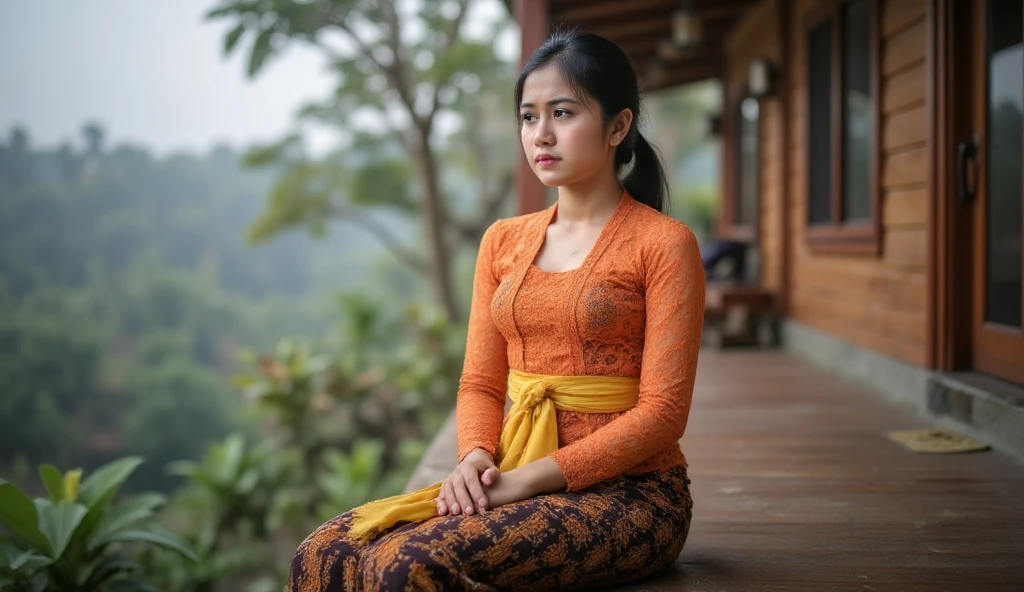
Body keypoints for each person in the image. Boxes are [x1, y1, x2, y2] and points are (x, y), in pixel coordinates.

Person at [288, 28, 705, 592]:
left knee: (408, 566)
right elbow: (482, 382)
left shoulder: (662, 243)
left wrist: (524, 483)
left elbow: (663, 413)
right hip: (512, 466)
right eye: (529, 117)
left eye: (562, 112)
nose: (542, 134)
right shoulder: (503, 240)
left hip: (631, 494)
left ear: (617, 126)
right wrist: (474, 459)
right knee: (325, 552)